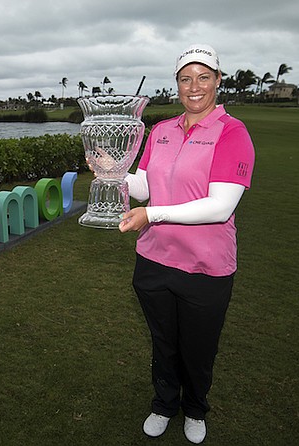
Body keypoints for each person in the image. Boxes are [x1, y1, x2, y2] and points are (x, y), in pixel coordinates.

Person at [119, 44, 255, 444]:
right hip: (155, 260)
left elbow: (220, 205)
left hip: (205, 267)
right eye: (185, 78)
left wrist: (153, 214)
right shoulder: (160, 131)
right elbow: (144, 186)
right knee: (163, 343)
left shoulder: (232, 132)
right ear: (176, 84)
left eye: (203, 77)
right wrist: (114, 175)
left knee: (197, 349)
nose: (194, 86)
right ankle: (164, 404)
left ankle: (195, 408)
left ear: (217, 80)